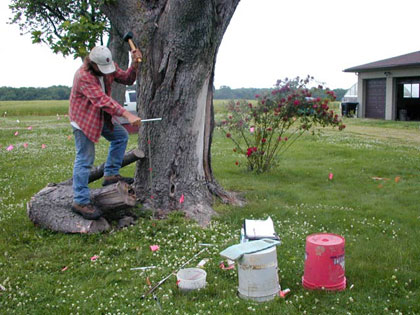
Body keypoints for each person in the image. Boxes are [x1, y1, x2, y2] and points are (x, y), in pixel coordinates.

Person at [69, 45, 142, 220]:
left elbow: (127, 78)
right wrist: (126, 114)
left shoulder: (108, 66)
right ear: (92, 63)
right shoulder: (83, 76)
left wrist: (135, 64)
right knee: (85, 160)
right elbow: (102, 100)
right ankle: (80, 201)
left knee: (120, 136)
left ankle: (110, 174)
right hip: (84, 120)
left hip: (100, 117)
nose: (105, 72)